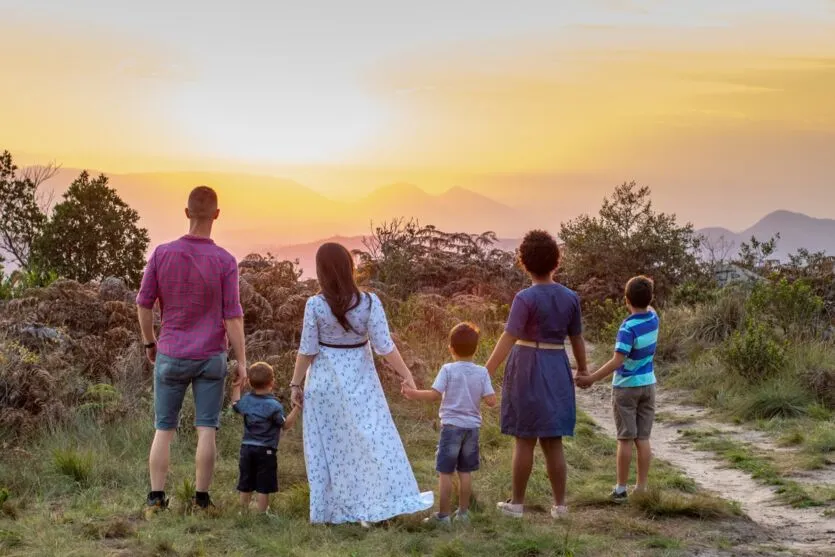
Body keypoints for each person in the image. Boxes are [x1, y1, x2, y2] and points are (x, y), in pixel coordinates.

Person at [289, 242, 433, 525]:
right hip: (362, 380)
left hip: (325, 382)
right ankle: (378, 501)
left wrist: (295, 384)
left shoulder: (315, 305)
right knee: (374, 438)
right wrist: (406, 374)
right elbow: (384, 346)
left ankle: (332, 509)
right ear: (349, 267)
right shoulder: (369, 302)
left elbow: (307, 349)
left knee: (332, 448)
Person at [136, 186, 246, 514]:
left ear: (187, 213)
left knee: (164, 428)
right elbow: (232, 316)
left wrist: (150, 342)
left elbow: (143, 304)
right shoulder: (225, 261)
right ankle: (202, 500)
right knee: (206, 428)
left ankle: (156, 500)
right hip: (210, 356)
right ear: (217, 214)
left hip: (171, 352)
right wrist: (242, 360)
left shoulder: (162, 254)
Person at [485, 230, 588, 519]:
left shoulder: (524, 298)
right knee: (553, 441)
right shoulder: (570, 297)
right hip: (556, 365)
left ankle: (517, 504)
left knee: (525, 437)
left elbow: (509, 337)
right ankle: (560, 506)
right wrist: (583, 369)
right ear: (556, 261)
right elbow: (577, 338)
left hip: (526, 364)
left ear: (525, 263)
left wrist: (486, 371)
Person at [402, 322, 498, 525]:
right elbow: (491, 401)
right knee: (465, 472)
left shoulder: (448, 370)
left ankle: (443, 516)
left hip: (451, 428)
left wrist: (412, 393)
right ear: (476, 349)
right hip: (472, 429)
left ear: (451, 348)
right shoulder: (482, 372)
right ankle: (463, 513)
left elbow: (434, 395)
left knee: (445, 472)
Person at [575, 276, 659, 501]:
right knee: (643, 438)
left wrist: (592, 378)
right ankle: (641, 488)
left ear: (626, 300)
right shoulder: (654, 318)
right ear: (650, 299)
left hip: (626, 389)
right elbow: (648, 305)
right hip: (648, 385)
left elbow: (617, 361)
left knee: (625, 438)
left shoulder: (627, 328)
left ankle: (621, 489)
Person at [231, 362, 300, 513]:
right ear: (272, 382)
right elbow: (285, 425)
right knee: (264, 484)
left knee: (246, 481)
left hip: (246, 448)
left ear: (249, 382)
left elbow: (235, 404)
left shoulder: (247, 400)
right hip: (266, 450)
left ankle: (243, 512)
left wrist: (236, 386)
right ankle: (262, 512)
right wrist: (297, 408)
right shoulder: (274, 406)